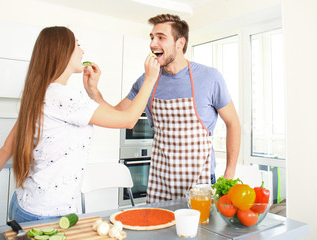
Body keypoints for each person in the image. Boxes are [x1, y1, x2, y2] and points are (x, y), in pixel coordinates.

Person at [0, 26, 160, 222]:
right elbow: (127, 120)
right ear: (63, 51)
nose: (82, 51)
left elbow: (7, 148)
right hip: (48, 215)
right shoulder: (66, 98)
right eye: (78, 45)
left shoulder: (39, 94)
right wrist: (150, 79)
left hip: (23, 205)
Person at [87, 14, 241, 203]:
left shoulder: (209, 77)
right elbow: (117, 115)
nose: (153, 44)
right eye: (152, 37)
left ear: (180, 42)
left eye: (161, 37)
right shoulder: (147, 80)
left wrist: (230, 171)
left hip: (200, 182)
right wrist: (94, 91)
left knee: (201, 232)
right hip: (161, 181)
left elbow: (233, 123)